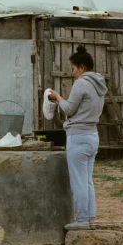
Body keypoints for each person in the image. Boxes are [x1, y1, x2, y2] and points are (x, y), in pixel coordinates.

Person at [47, 45, 107, 230]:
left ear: (81, 67)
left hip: (78, 136)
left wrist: (57, 97)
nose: (73, 73)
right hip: (92, 135)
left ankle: (81, 219)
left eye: (73, 69)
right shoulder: (99, 84)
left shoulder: (81, 83)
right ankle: (89, 217)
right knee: (87, 180)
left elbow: (69, 109)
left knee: (78, 181)